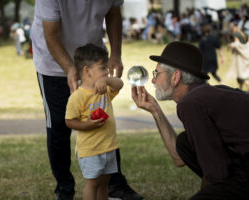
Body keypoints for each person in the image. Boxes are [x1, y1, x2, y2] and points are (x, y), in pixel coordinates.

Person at [30, 0, 144, 199]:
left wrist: (115, 54)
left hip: (92, 61)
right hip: (52, 63)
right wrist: (69, 68)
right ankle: (64, 188)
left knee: (103, 117)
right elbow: (50, 33)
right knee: (58, 125)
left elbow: (114, 13)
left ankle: (115, 184)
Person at [131, 41, 249, 200]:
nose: (152, 80)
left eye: (156, 74)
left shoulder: (191, 103)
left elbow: (216, 174)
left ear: (175, 77)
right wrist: (155, 110)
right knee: (183, 142)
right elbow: (179, 158)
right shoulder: (204, 96)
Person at [65, 43, 123, 200]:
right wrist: (87, 125)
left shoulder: (105, 90)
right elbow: (69, 121)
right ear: (87, 71)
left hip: (108, 146)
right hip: (90, 150)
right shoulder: (78, 97)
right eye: (103, 68)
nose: (106, 72)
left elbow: (120, 84)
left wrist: (108, 80)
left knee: (104, 184)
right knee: (92, 185)